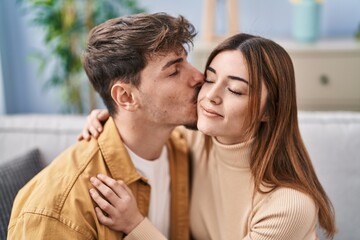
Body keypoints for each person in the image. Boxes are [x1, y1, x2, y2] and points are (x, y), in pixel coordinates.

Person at [82, 33, 336, 239]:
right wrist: (113, 115)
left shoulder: (290, 206)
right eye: (210, 79)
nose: (211, 95)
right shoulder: (196, 140)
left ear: (268, 111)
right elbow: (146, 121)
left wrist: (135, 224)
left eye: (235, 90)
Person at [7, 12, 204, 240]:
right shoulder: (56, 209)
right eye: (174, 71)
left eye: (186, 61)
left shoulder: (181, 149)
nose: (198, 76)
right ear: (126, 97)